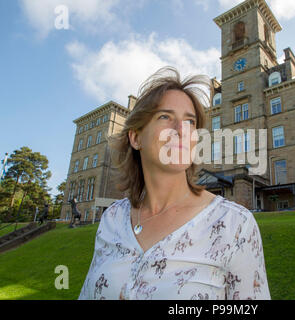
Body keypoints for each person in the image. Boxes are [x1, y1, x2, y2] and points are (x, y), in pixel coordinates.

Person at [78, 67, 270, 300]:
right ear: (136, 137)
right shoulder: (112, 219)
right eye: (165, 117)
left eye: (190, 122)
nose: (181, 130)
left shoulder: (235, 225)